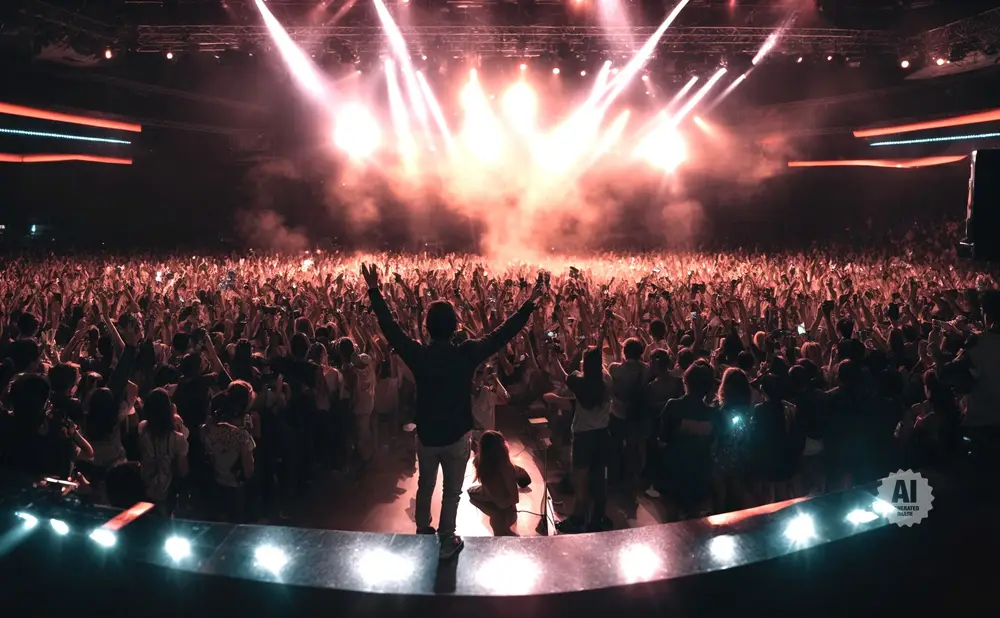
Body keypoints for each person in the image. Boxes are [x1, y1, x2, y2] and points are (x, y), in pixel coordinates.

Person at [362, 262, 542, 559]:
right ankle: (446, 538)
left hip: (428, 435)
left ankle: (422, 532)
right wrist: (531, 302)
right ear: (456, 326)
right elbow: (502, 333)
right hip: (457, 436)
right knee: (451, 492)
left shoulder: (419, 354)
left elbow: (390, 329)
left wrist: (374, 290)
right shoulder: (467, 353)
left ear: (426, 327)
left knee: (425, 485)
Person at [544, 345, 613, 533]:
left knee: (580, 480)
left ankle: (577, 518)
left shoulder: (579, 381)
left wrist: (554, 357)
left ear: (585, 363)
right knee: (599, 478)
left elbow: (562, 376)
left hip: (584, 437)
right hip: (603, 435)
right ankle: (597, 518)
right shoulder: (607, 380)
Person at [137, 388, 190, 512]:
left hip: (146, 484)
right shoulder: (178, 439)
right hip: (169, 490)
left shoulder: (142, 430)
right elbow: (183, 470)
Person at [468, 430, 520, 536]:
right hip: (504, 505)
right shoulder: (507, 466)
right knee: (473, 493)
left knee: (471, 494)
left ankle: (498, 521)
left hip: (498, 503)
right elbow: (513, 493)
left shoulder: (481, 462)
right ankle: (500, 522)